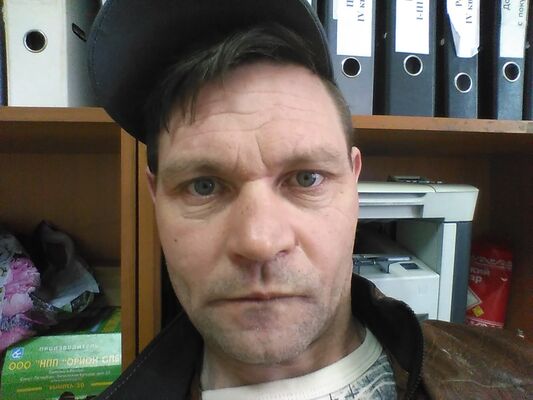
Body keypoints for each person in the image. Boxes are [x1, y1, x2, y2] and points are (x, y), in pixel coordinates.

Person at [87, 1, 533, 399]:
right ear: (155, 197)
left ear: (354, 186)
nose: (260, 242)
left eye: (306, 178)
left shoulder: (514, 379)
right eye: (204, 186)